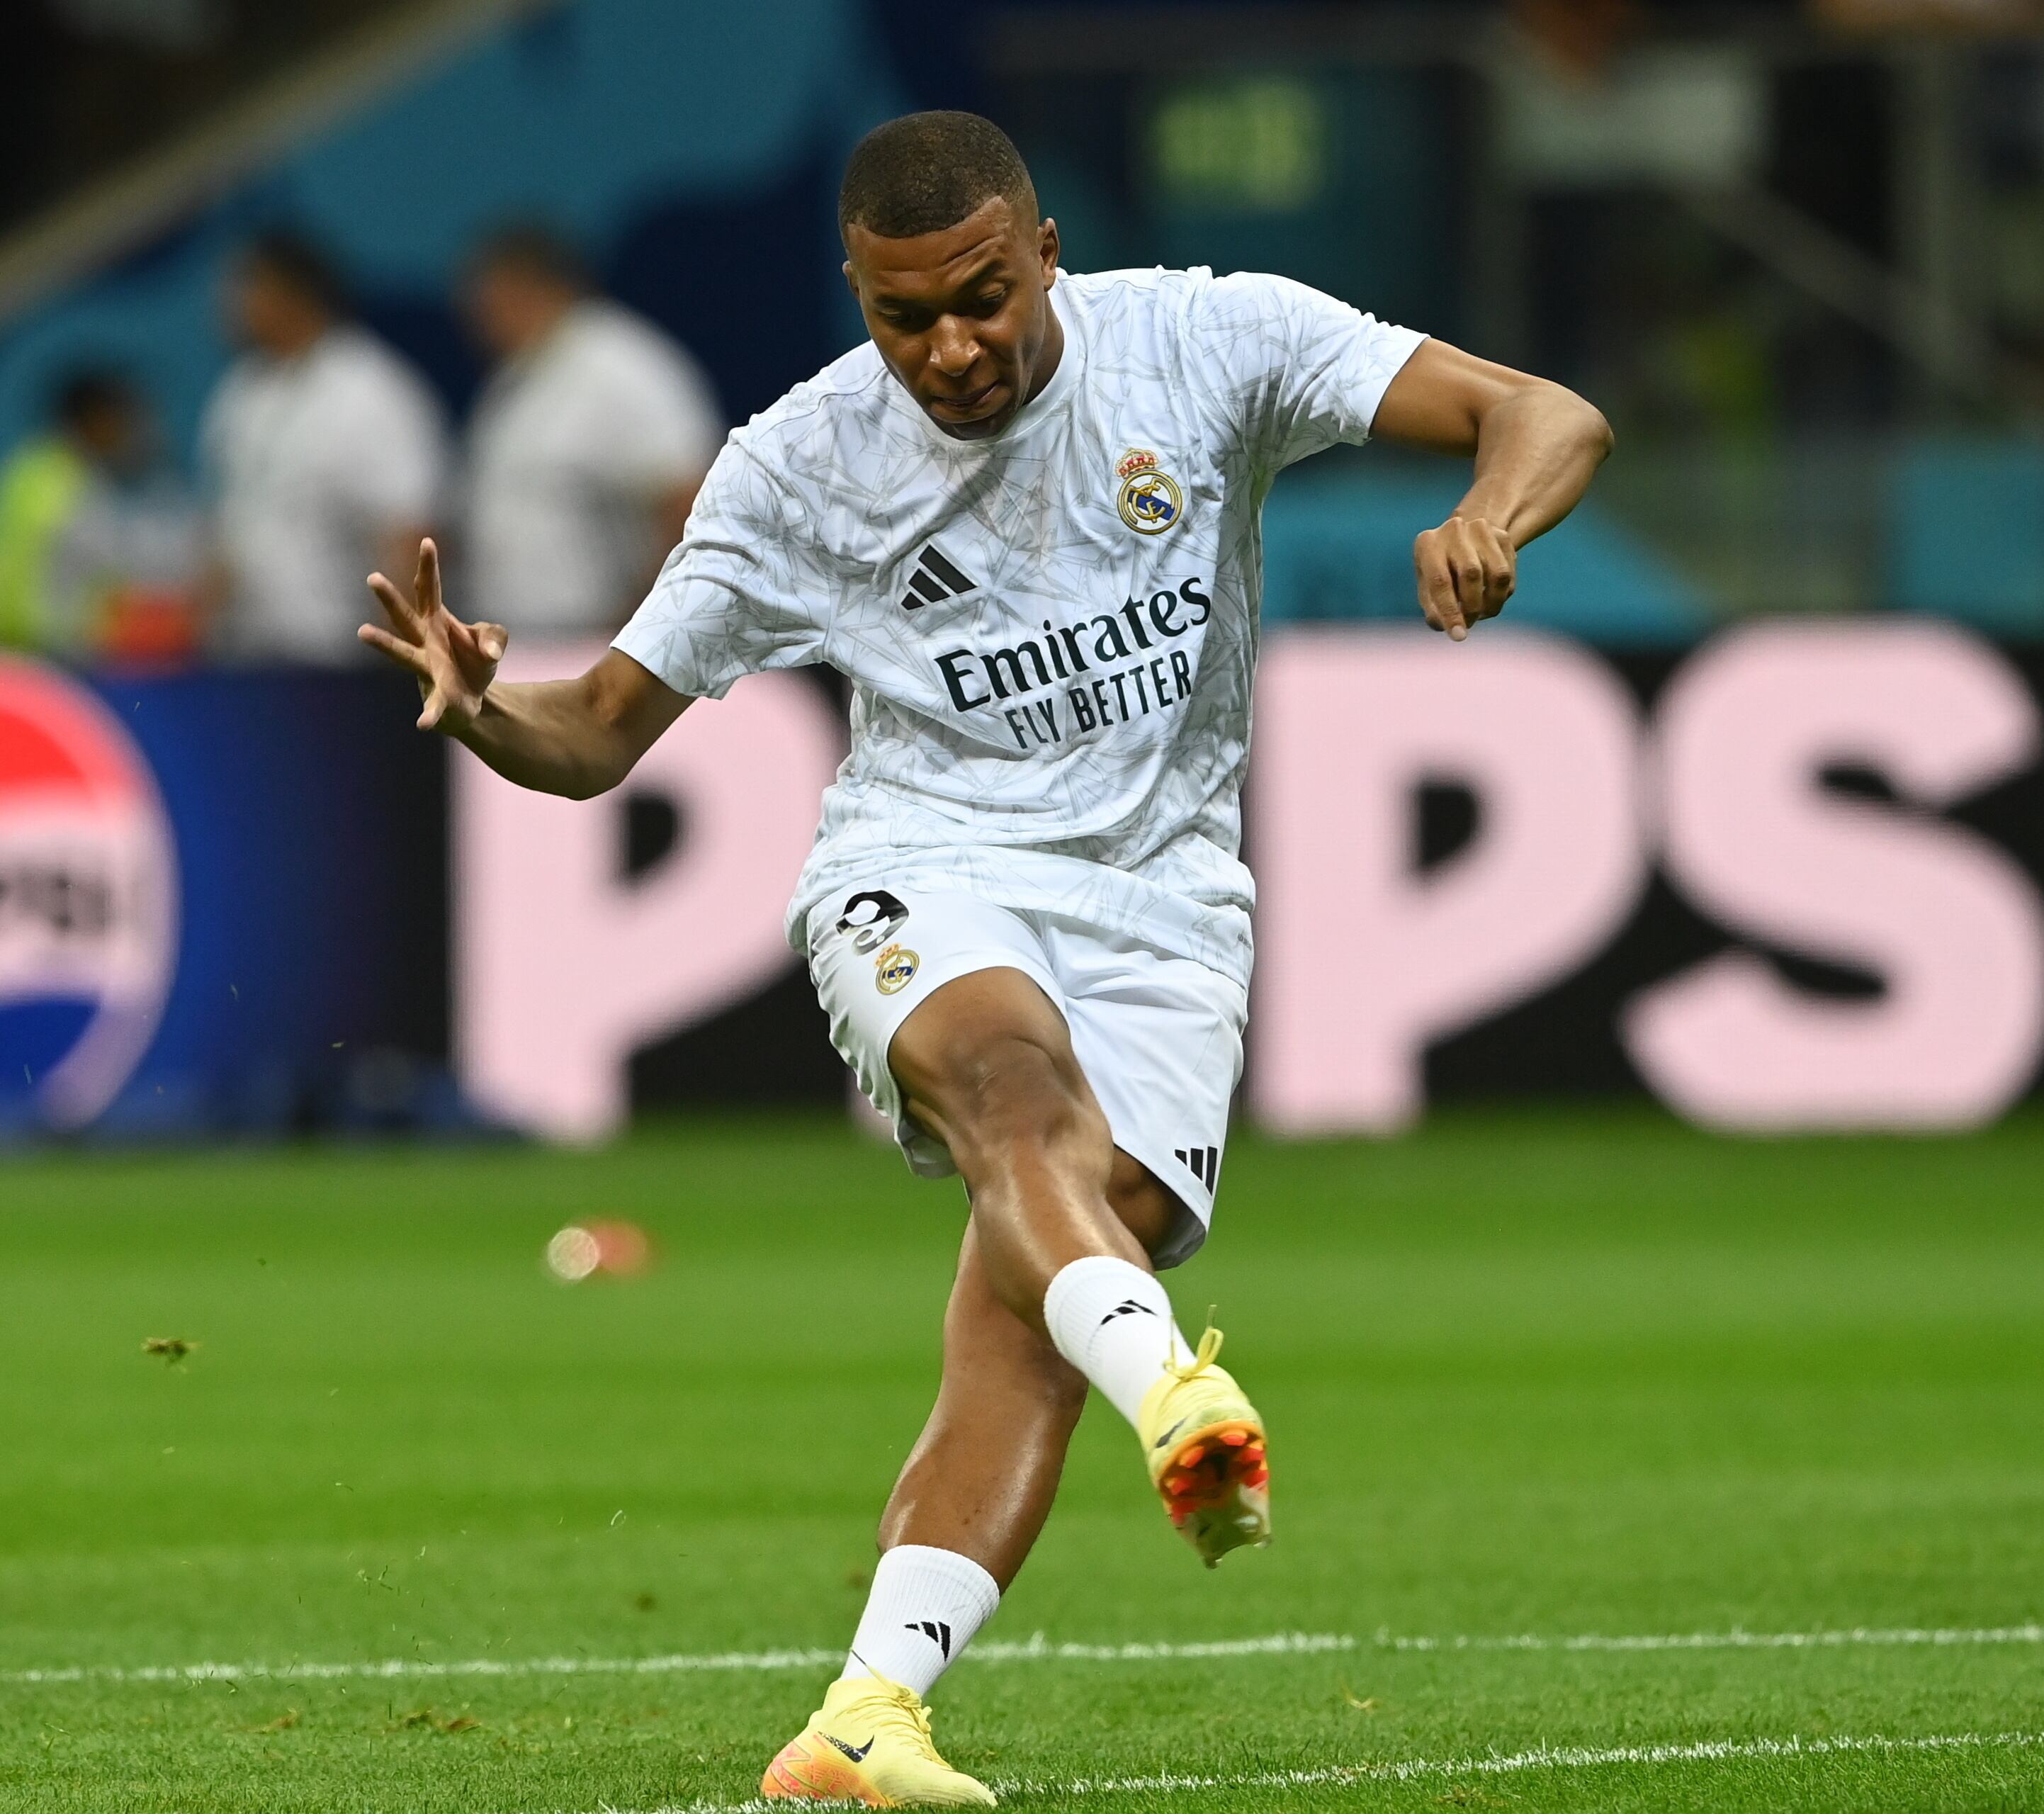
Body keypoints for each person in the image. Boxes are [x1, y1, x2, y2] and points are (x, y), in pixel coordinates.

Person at [360, 111, 1612, 1807]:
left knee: (1031, 1312)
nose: (949, 346)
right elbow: (592, 735)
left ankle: (868, 1716)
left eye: (979, 298)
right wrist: (481, 702)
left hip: (1168, 906)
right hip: (925, 868)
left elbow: (1543, 412)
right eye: (902, 316)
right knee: (1014, 1104)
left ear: (1038, 251)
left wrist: (1489, 509)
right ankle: (1173, 1384)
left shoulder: (1203, 341)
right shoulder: (799, 466)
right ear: (857, 299)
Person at [460, 222, 722, 636]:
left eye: (487, 298)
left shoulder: (622, 365)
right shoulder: (513, 380)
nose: (476, 319)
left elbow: (689, 502)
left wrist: (639, 626)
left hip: (593, 642)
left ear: (530, 287)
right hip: (517, 643)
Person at [203, 229, 445, 662]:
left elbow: (408, 533)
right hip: (245, 654)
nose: (232, 303)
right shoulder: (240, 393)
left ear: (294, 294)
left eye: (248, 287)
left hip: (336, 654)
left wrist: (401, 655)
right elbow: (228, 529)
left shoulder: (371, 391)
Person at [0, 367, 198, 663]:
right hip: (45, 652)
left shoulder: (30, 467)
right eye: (123, 420)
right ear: (96, 418)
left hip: (18, 643)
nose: (130, 432)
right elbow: (126, 565)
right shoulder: (71, 486)